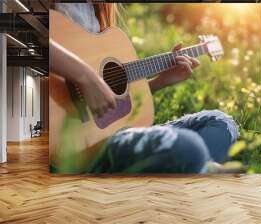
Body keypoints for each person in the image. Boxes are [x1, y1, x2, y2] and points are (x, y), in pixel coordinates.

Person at [50, 3, 239, 173]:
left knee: (222, 123)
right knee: (190, 146)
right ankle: (196, 166)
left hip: (114, 133)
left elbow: (114, 103)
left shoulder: (95, 11)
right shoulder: (58, 8)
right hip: (85, 146)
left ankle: (191, 165)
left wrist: (160, 81)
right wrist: (84, 76)